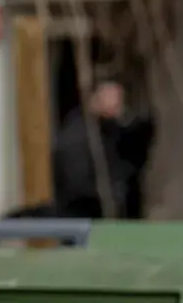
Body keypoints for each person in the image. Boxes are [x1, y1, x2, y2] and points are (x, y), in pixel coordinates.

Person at [51, 75, 154, 219]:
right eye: (111, 98)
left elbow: (137, 151)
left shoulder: (116, 129)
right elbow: (76, 182)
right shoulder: (78, 133)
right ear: (94, 100)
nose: (117, 106)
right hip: (84, 215)